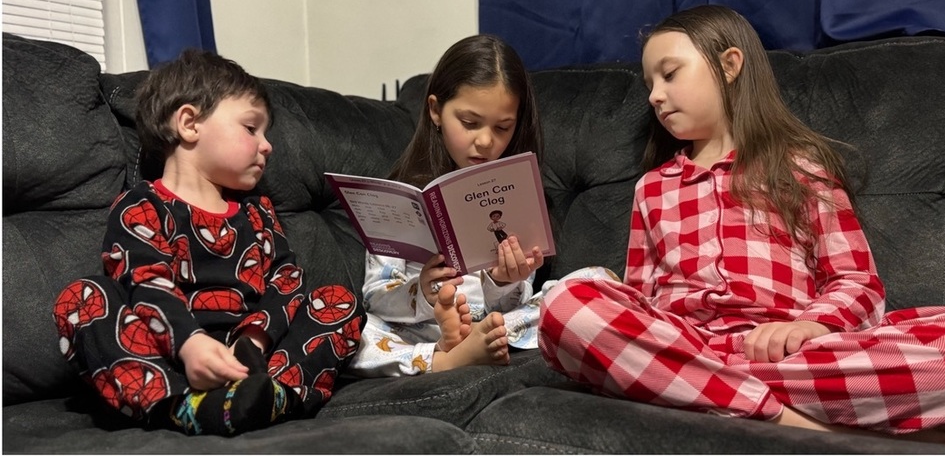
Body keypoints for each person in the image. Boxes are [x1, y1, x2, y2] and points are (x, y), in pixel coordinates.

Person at [537, 5, 945, 445]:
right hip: (690, 344)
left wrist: (809, 325)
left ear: (729, 65)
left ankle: (694, 391)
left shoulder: (800, 167)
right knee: (565, 303)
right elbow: (643, 299)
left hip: (795, 357)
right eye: (649, 85)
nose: (655, 97)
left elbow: (857, 282)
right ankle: (805, 424)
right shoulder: (653, 189)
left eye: (669, 75)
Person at [52, 49, 365, 436]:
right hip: (173, 357)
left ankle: (272, 396)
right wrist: (190, 344)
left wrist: (254, 338)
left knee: (339, 300)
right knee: (81, 297)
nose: (267, 146)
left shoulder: (257, 212)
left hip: (254, 353)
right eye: (252, 129)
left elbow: (287, 279)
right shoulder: (142, 206)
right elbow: (146, 282)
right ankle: (184, 407)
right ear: (189, 123)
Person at [350, 33, 617, 377]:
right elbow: (375, 294)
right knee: (353, 331)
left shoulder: (517, 188)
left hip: (498, 324)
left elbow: (520, 297)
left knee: (595, 281)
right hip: (419, 330)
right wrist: (425, 294)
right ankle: (446, 355)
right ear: (435, 110)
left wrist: (502, 280)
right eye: (470, 123)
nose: (487, 141)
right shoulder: (398, 199)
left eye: (503, 127)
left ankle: (473, 342)